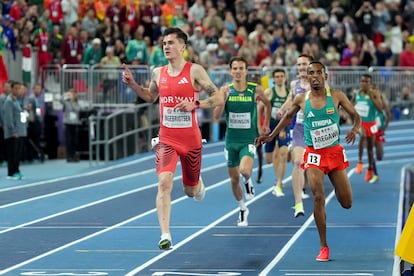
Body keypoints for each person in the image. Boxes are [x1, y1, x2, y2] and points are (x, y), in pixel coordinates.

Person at [122, 27, 224, 250]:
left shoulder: (195, 71)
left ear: (182, 47)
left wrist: (196, 104)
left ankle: (197, 183)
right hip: (166, 139)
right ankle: (165, 234)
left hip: (191, 141)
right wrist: (132, 85)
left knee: (190, 191)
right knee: (164, 182)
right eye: (164, 43)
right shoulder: (158, 73)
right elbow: (150, 96)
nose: (166, 46)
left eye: (170, 42)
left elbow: (217, 97)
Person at [255, 61, 361, 262]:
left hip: (334, 154)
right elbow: (287, 118)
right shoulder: (301, 99)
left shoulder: (336, 96)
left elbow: (356, 116)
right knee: (318, 196)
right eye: (310, 73)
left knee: (346, 203)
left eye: (317, 73)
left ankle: (335, 204)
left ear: (325, 76)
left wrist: (355, 128)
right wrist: (271, 136)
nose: (313, 76)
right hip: (314, 155)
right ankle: (324, 247)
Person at [213, 56, 271, 227]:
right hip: (231, 141)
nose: (238, 71)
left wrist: (265, 123)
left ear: (246, 71)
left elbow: (267, 105)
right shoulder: (225, 90)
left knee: (245, 171)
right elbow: (216, 116)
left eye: (241, 68)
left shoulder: (255, 89)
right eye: (235, 68)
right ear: (231, 71)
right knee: (233, 180)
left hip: (248, 139)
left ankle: (248, 181)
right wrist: (222, 99)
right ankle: (243, 208)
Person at [277, 54, 313, 217]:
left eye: (304, 64)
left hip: (315, 130)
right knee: (298, 162)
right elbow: (291, 100)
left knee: (314, 169)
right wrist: (282, 109)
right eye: (299, 64)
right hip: (299, 128)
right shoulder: (294, 84)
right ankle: (298, 204)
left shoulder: (319, 83)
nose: (301, 67)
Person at [258, 68, 290, 197]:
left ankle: (279, 182)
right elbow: (259, 108)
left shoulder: (289, 94)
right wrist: (261, 127)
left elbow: (290, 112)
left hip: (284, 127)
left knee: (282, 154)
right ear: (273, 79)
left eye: (282, 76)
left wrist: (283, 128)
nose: (280, 78)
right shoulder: (269, 92)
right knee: (270, 159)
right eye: (277, 76)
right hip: (270, 126)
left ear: (285, 78)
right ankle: (279, 178)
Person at [352, 74, 383, 183]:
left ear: (370, 83)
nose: (364, 83)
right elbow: (351, 104)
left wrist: (372, 97)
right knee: (363, 136)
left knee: (370, 149)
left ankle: (369, 169)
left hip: (371, 124)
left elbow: (380, 109)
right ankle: (359, 162)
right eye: (362, 81)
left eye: (366, 82)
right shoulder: (357, 93)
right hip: (361, 123)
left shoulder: (374, 93)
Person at [3, 81, 28, 180]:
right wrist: (13, 131)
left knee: (17, 153)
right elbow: (8, 118)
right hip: (13, 133)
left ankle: (17, 170)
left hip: (20, 131)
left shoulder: (16, 101)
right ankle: (11, 172)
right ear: (12, 89)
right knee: (12, 154)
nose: (18, 90)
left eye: (19, 88)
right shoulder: (9, 101)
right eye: (16, 88)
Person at [61, 88, 81, 162]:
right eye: (72, 94)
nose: (72, 95)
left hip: (75, 123)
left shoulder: (77, 103)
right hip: (68, 123)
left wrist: (73, 102)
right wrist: (67, 94)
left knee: (74, 140)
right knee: (68, 140)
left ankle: (74, 155)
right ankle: (69, 156)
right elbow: (60, 99)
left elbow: (77, 109)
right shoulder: (66, 102)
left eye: (74, 94)